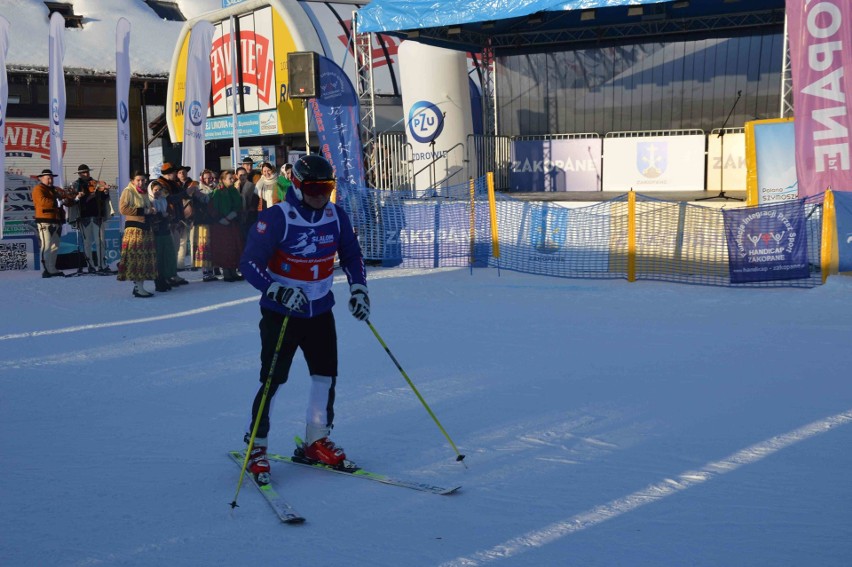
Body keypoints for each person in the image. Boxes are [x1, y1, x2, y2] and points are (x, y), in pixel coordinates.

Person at [238, 154, 369, 483]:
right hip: (283, 315)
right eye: (312, 186)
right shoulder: (277, 218)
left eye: (326, 186)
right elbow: (249, 263)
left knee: (325, 378)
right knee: (273, 380)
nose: (319, 193)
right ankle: (257, 445)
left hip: (320, 310)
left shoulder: (335, 216)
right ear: (296, 184)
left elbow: (352, 254)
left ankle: (316, 439)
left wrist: (358, 290)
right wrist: (277, 291)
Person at [117, 171, 158, 297]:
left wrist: (152, 209)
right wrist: (144, 211)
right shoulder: (128, 191)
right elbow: (123, 209)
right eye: (138, 180)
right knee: (137, 259)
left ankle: (138, 286)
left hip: (145, 228)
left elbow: (147, 207)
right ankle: (138, 287)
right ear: (133, 180)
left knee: (144, 259)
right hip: (134, 229)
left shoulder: (145, 192)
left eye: (143, 180)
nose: (141, 182)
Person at [72, 164, 112, 273]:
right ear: (79, 174)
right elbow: (72, 201)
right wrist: (81, 196)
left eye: (87, 172)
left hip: (97, 215)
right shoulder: (76, 185)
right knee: (87, 243)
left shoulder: (96, 183)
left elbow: (104, 198)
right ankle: (90, 265)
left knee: (101, 241)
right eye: (84, 172)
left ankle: (102, 265)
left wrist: (105, 192)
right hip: (84, 216)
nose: (86, 174)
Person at [32, 168, 69, 278]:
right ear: (41, 178)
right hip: (44, 221)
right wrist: (58, 201)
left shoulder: (55, 189)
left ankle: (52, 268)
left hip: (56, 221)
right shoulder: (38, 189)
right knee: (46, 246)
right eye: (48, 178)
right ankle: (46, 269)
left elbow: (66, 200)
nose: (50, 180)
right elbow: (42, 201)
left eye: (51, 178)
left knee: (54, 246)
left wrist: (73, 198)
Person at [157, 162, 189, 286]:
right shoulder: (160, 184)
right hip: (167, 221)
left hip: (175, 219)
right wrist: (186, 193)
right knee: (169, 250)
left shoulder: (172, 183)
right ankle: (167, 275)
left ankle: (172, 274)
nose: (176, 173)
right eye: (174, 172)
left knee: (174, 249)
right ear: (168, 173)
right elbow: (170, 198)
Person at [209, 170, 244, 282]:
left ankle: (233, 271)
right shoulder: (218, 191)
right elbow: (213, 207)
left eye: (232, 178)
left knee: (234, 246)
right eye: (229, 178)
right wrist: (221, 218)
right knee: (225, 248)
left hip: (232, 222)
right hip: (221, 225)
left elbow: (238, 205)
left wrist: (233, 215)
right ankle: (227, 272)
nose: (232, 180)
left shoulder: (233, 190)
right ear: (223, 180)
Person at [148, 179, 178, 292]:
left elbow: (171, 214)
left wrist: (168, 217)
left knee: (167, 255)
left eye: (160, 190)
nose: (158, 192)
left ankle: (165, 278)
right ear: (151, 190)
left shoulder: (163, 200)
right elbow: (151, 217)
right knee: (158, 257)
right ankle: (158, 280)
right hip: (156, 232)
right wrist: (161, 215)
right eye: (155, 190)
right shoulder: (149, 201)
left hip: (165, 230)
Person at [191, 169, 217, 282]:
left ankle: (212, 269)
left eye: (209, 177)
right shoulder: (198, 189)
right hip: (202, 221)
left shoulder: (216, 188)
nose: (208, 180)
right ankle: (205, 271)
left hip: (213, 220)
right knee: (203, 245)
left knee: (212, 245)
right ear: (201, 178)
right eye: (205, 177)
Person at [176, 165, 198, 271]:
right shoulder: (175, 185)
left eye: (183, 172)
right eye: (180, 172)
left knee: (193, 240)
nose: (182, 174)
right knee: (182, 241)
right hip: (180, 215)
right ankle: (180, 264)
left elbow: (195, 195)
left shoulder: (193, 183)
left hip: (192, 214)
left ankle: (194, 263)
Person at [236, 166, 257, 243]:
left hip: (249, 215)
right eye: (240, 175)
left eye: (244, 175)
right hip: (237, 215)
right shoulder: (234, 187)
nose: (243, 177)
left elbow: (254, 200)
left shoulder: (251, 186)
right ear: (236, 176)